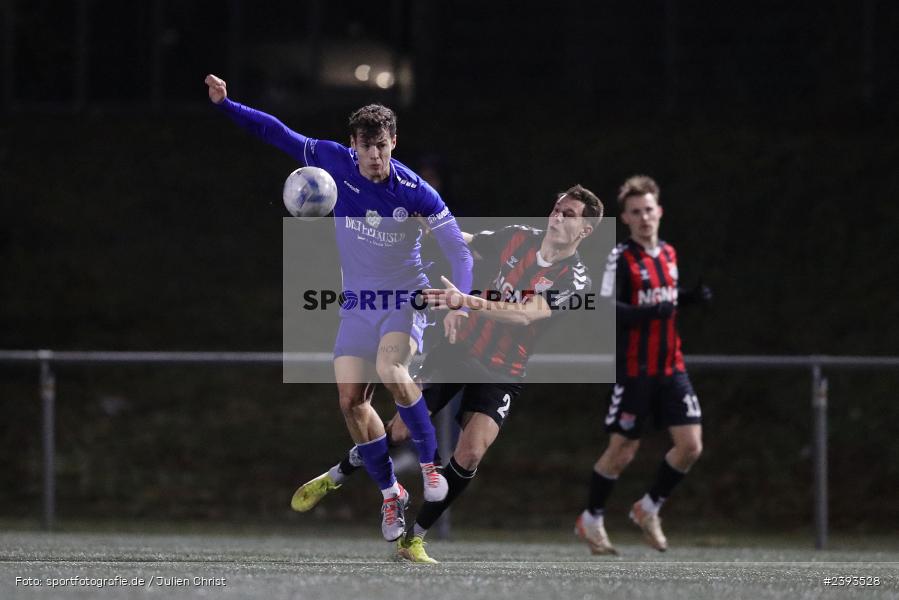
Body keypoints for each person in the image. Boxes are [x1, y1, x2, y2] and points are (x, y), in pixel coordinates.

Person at [204, 74, 474, 542]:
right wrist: (227, 104)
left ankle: (431, 468)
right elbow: (277, 133)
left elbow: (460, 252)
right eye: (366, 146)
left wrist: (460, 303)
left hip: (404, 300)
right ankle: (391, 493)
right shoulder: (332, 160)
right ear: (353, 144)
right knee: (352, 403)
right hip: (358, 305)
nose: (374, 155)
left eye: (383, 146)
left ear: (394, 143)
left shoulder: (415, 191)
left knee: (393, 368)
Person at [292, 185, 604, 563]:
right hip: (457, 351)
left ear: (585, 230)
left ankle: (414, 538)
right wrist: (426, 221)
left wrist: (465, 301)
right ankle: (337, 475)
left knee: (470, 453)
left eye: (568, 215)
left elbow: (526, 313)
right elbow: (466, 240)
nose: (557, 216)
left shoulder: (576, 278)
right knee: (401, 430)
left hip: (503, 370)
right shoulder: (519, 237)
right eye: (556, 209)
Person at [575, 175, 711, 555]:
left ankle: (648, 508)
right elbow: (605, 309)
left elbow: (664, 299)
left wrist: (687, 298)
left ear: (660, 212)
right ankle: (592, 517)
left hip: (672, 367)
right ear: (626, 218)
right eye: (636, 212)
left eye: (649, 210)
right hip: (634, 370)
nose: (644, 217)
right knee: (622, 452)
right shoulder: (621, 258)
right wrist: (657, 309)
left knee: (691, 446)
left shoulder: (668, 253)